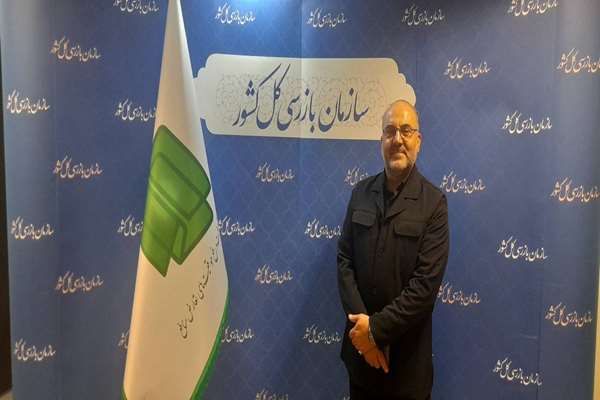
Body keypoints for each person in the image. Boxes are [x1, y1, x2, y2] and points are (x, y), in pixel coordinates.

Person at [337, 100, 450, 400]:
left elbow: (424, 288)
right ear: (381, 141)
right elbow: (345, 260)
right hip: (360, 360)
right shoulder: (360, 193)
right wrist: (363, 336)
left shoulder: (434, 204)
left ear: (418, 141)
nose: (397, 139)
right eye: (390, 131)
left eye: (406, 130)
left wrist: (375, 331)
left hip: (407, 371)